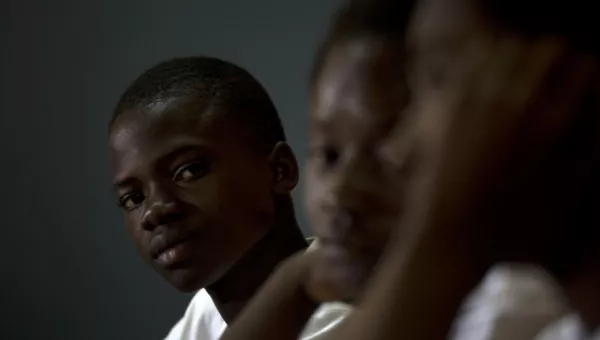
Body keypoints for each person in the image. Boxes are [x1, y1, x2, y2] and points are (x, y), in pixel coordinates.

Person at [221, 1, 565, 339]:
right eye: (329, 154)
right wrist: (301, 275)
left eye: (388, 154)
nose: (343, 193)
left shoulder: (514, 300)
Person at [316, 0, 600, 338]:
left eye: (441, 79)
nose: (399, 150)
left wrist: (441, 233)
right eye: (330, 154)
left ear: (559, 80)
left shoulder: (510, 310)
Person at [108, 56, 346, 340]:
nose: (154, 211)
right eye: (133, 199)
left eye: (189, 171)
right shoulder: (202, 319)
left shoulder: (347, 313)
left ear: (279, 170)